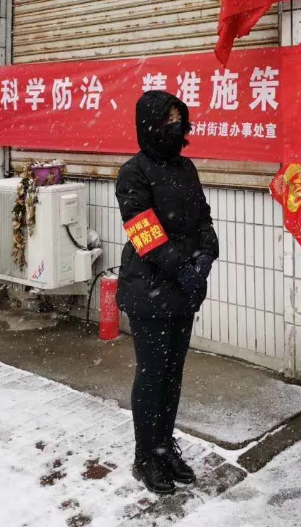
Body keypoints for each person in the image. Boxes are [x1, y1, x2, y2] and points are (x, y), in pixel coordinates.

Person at [115, 91, 219, 495]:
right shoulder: (133, 172)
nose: (176, 128)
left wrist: (205, 257)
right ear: (149, 126)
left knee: (173, 374)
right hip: (149, 289)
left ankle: (164, 446)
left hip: (183, 291)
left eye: (180, 120)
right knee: (152, 373)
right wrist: (183, 268)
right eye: (168, 121)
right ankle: (145, 456)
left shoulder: (185, 167)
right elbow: (144, 232)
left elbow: (203, 218)